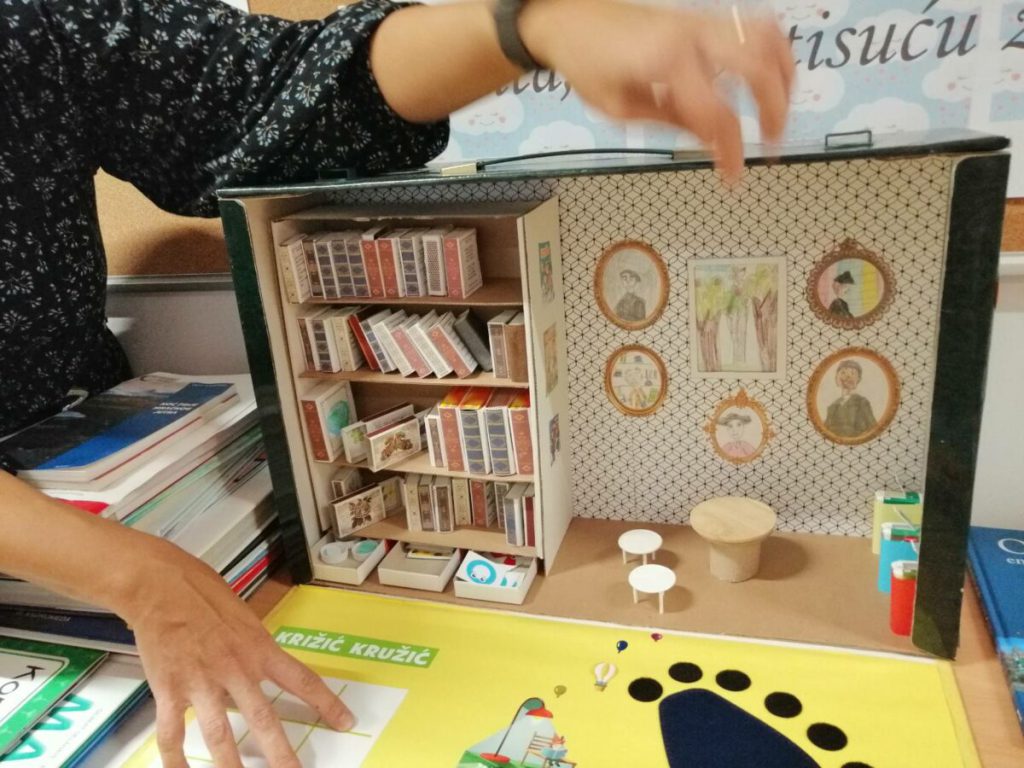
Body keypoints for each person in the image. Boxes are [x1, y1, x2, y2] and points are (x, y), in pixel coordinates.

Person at [0, 1, 793, 765]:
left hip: (111, 491)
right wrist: (135, 576)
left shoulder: (34, 27)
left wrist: (529, 23)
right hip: (96, 567)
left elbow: (290, 91)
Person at [824, 360, 877, 438]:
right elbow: (825, 430)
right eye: (843, 372)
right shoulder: (833, 406)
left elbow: (873, 429)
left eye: (852, 373)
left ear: (858, 379)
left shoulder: (862, 402)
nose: (847, 376)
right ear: (836, 378)